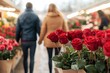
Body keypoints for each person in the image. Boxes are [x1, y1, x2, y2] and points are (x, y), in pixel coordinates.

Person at [38, 3, 68, 73]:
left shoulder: (46, 18)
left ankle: (50, 71)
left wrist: (40, 40)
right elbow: (65, 29)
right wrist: (66, 39)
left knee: (50, 58)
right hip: (59, 39)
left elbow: (43, 30)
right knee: (57, 58)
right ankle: (56, 71)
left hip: (49, 40)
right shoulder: (61, 17)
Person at [16, 2, 41, 73]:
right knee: (32, 58)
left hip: (24, 40)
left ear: (26, 7)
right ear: (32, 7)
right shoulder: (36, 16)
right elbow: (38, 29)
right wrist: (40, 39)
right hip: (32, 40)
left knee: (25, 58)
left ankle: (25, 72)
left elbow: (18, 30)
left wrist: (17, 40)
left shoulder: (20, 16)